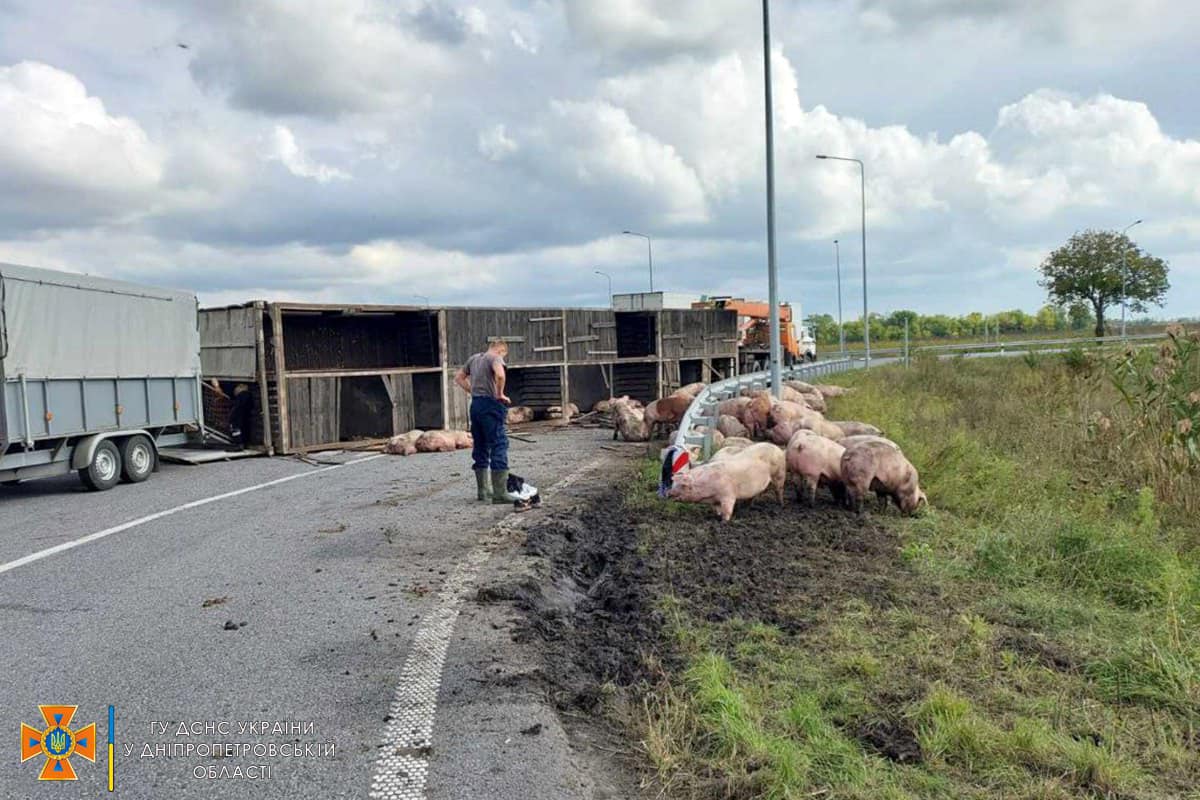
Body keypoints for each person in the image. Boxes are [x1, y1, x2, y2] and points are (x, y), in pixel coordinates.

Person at [454, 339, 511, 502]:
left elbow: (459, 377)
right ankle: (500, 493)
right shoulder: (495, 358)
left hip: (476, 404)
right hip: (491, 404)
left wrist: (472, 390)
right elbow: (500, 374)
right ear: (501, 350)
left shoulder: (474, 359)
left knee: (480, 445)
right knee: (499, 443)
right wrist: (500, 394)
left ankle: (483, 491)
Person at [228, 383, 254, 450]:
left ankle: (238, 445)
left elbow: (236, 409)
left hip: (238, 419)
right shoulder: (249, 397)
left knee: (236, 430)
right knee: (244, 428)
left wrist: (231, 417)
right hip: (245, 418)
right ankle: (244, 443)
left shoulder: (241, 397)